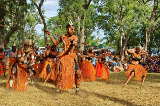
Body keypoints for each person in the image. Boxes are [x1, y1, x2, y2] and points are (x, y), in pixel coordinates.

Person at [45, 24, 81, 92]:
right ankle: (59, 86)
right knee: (60, 72)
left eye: (73, 29)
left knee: (78, 72)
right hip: (63, 56)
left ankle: (77, 88)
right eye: (71, 29)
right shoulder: (63, 36)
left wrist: (73, 44)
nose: (73, 30)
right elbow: (55, 43)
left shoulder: (75, 37)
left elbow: (72, 47)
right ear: (67, 29)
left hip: (71, 56)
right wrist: (50, 35)